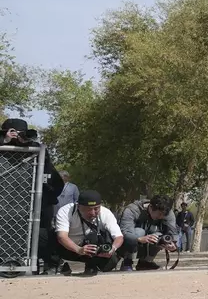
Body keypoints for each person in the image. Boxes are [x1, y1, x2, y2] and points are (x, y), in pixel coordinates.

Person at [0, 118, 65, 273]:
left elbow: (55, 182)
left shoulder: (36, 151)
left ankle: (43, 265)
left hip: (33, 205)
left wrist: (44, 200)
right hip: (4, 203)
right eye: (13, 132)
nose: (17, 136)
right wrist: (6, 140)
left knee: (41, 234)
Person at [54, 190, 123, 276]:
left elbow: (119, 237)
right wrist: (78, 249)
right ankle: (56, 264)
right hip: (70, 247)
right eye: (89, 209)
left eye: (96, 208)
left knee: (109, 263)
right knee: (47, 236)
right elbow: (62, 237)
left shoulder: (105, 213)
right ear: (79, 206)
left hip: (93, 247)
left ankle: (91, 266)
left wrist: (113, 248)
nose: (93, 213)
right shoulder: (66, 211)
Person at [117, 195, 178, 271]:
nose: (161, 217)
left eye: (164, 215)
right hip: (128, 243)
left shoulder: (167, 213)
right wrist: (139, 239)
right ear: (151, 207)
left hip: (148, 241)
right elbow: (125, 232)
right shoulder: (132, 210)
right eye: (159, 214)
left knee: (159, 236)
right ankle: (127, 261)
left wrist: (173, 244)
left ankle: (145, 262)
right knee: (139, 232)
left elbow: (173, 232)